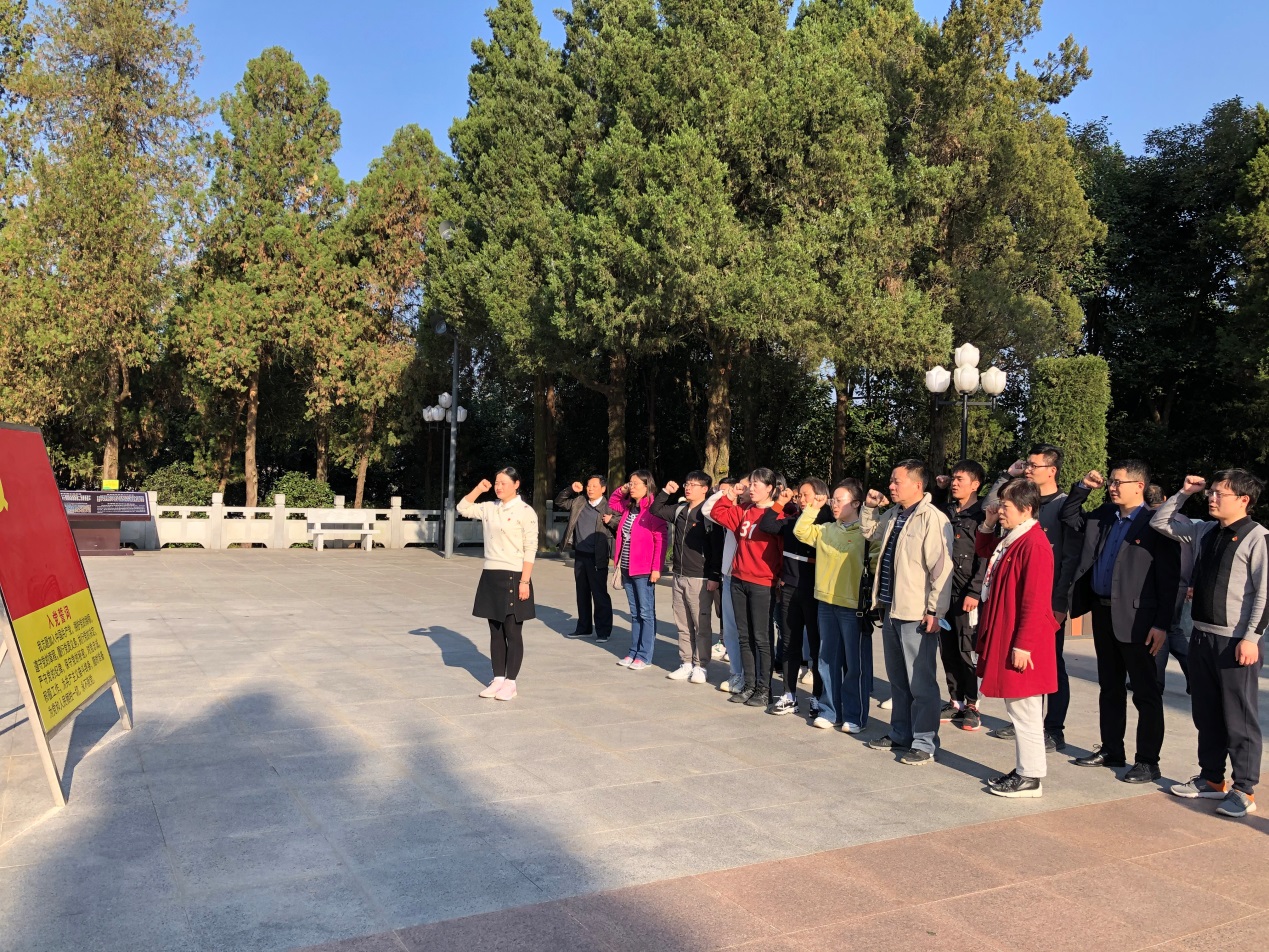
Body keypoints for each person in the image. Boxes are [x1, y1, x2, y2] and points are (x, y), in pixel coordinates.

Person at [1151, 471, 1269, 819]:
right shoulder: (1204, 530)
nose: (1212, 498)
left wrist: (1251, 639)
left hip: (1235, 641)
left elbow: (1265, 594)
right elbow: (1161, 522)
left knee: (1239, 718)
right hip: (1202, 635)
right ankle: (1212, 779)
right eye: (1212, 492)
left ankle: (1244, 789)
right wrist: (1184, 493)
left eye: (1220, 493)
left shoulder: (1257, 537)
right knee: (1206, 713)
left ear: (1244, 500)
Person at [1063, 461, 1180, 783]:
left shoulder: (1156, 524)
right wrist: (1083, 488)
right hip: (1102, 612)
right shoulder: (1104, 516)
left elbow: (1169, 581)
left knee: (1145, 692)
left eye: (1119, 482)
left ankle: (1147, 761)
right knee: (1110, 687)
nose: (1112, 487)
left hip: (1140, 619)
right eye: (1111, 482)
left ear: (1139, 486)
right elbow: (1069, 516)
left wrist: (1161, 625)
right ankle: (1112, 749)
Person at [984, 445, 1082, 750]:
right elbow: (990, 510)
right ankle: (1026, 724)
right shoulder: (1017, 507)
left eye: (1034, 465)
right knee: (1023, 676)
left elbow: (1069, 558)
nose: (1028, 469)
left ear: (1052, 471)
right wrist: (1006, 476)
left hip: (1047, 603)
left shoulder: (1062, 507)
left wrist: (1060, 602)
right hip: (1021, 601)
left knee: (1049, 667)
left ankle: (1053, 728)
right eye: (1027, 464)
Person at [861, 460, 955, 765]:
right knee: (899, 679)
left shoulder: (933, 519)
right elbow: (870, 532)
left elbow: (941, 569)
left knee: (921, 682)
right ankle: (900, 733)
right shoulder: (895, 514)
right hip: (892, 608)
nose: (891, 486)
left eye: (896, 481)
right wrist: (869, 507)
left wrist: (935, 610)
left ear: (917, 485)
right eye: (891, 480)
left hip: (917, 613)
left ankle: (925, 742)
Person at [974, 479, 1057, 798]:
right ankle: (1025, 770)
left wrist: (1023, 645)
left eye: (1005, 506)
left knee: (1025, 710)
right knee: (1020, 709)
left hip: (1024, 641)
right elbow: (985, 550)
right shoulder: (1015, 537)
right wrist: (988, 524)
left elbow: (1035, 601)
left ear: (1026, 508)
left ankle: (1031, 776)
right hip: (1011, 633)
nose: (1000, 510)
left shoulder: (1033, 543)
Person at [703, 468, 786, 707]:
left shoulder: (777, 514)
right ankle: (749, 685)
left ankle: (764, 688)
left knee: (761, 637)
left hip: (762, 582)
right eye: (751, 483)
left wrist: (779, 579)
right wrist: (730, 494)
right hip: (738, 579)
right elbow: (717, 513)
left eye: (757, 484)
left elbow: (782, 550)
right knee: (744, 635)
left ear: (770, 488)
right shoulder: (745, 510)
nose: (752, 488)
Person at [795, 478, 870, 733]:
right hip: (826, 602)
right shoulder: (826, 529)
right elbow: (801, 531)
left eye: (840, 500)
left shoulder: (865, 533)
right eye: (832, 500)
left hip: (852, 605)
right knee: (826, 659)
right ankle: (829, 710)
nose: (834, 505)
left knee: (854, 665)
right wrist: (813, 507)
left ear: (856, 503)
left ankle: (855, 715)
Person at [457, 468, 539, 702]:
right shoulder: (489, 508)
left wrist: (525, 581)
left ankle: (511, 683)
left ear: (516, 484)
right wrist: (478, 489)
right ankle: (498, 679)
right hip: (491, 574)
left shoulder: (525, 511)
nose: (498, 487)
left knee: (512, 631)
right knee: (495, 631)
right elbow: (462, 507)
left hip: (514, 574)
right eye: (496, 483)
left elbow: (530, 548)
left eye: (503, 483)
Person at [651, 472, 724, 684]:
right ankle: (686, 662)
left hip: (700, 578)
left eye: (694, 485)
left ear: (705, 489)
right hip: (679, 575)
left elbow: (717, 548)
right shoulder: (680, 510)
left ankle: (701, 665)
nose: (688, 487)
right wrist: (666, 492)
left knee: (701, 624)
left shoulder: (709, 514)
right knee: (682, 624)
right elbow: (656, 510)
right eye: (687, 483)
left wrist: (714, 575)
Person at [933, 461, 988, 731]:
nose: (954, 483)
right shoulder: (947, 511)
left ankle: (972, 705)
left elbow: (984, 557)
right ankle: (955, 701)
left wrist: (975, 591)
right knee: (948, 649)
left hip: (967, 594)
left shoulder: (982, 516)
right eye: (953, 478)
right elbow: (931, 512)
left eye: (960, 479)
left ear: (975, 484)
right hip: (945, 592)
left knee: (966, 650)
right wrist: (939, 489)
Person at [772, 477, 832, 715]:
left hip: (815, 591)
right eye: (800, 495)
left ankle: (818, 696)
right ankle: (789, 694)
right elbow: (768, 524)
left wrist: (818, 509)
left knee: (817, 646)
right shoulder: (793, 520)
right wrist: (781, 501)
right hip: (790, 588)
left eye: (806, 495)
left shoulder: (828, 523)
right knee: (789, 642)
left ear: (820, 496)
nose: (801, 499)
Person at [609, 471, 668, 672]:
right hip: (626, 567)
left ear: (647, 486)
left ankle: (644, 655)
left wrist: (656, 568)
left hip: (644, 569)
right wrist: (623, 488)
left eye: (635, 484)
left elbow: (661, 540)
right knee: (635, 614)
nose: (631, 487)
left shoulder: (653, 509)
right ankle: (633, 651)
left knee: (646, 613)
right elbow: (613, 502)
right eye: (630, 483)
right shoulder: (629, 507)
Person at [556, 474, 615, 642]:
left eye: (594, 486)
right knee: (582, 593)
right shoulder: (579, 501)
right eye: (589, 486)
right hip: (580, 554)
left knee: (599, 594)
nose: (590, 489)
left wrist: (611, 521)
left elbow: (620, 522)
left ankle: (603, 631)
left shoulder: (609, 507)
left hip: (598, 556)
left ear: (603, 488)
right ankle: (584, 628)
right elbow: (560, 502)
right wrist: (570, 489)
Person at [1148, 487, 1194, 693]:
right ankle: (1195, 677)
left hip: (1163, 583)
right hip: (1183, 582)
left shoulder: (1150, 520)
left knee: (1161, 629)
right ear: (1165, 498)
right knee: (1172, 629)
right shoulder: (1185, 520)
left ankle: (1156, 681)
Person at [709, 476, 748, 694]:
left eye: (748, 485)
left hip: (753, 578)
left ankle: (752, 676)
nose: (745, 489)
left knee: (750, 632)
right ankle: (736, 672)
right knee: (731, 629)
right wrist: (728, 494)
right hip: (730, 575)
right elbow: (709, 510)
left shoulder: (761, 512)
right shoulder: (735, 510)